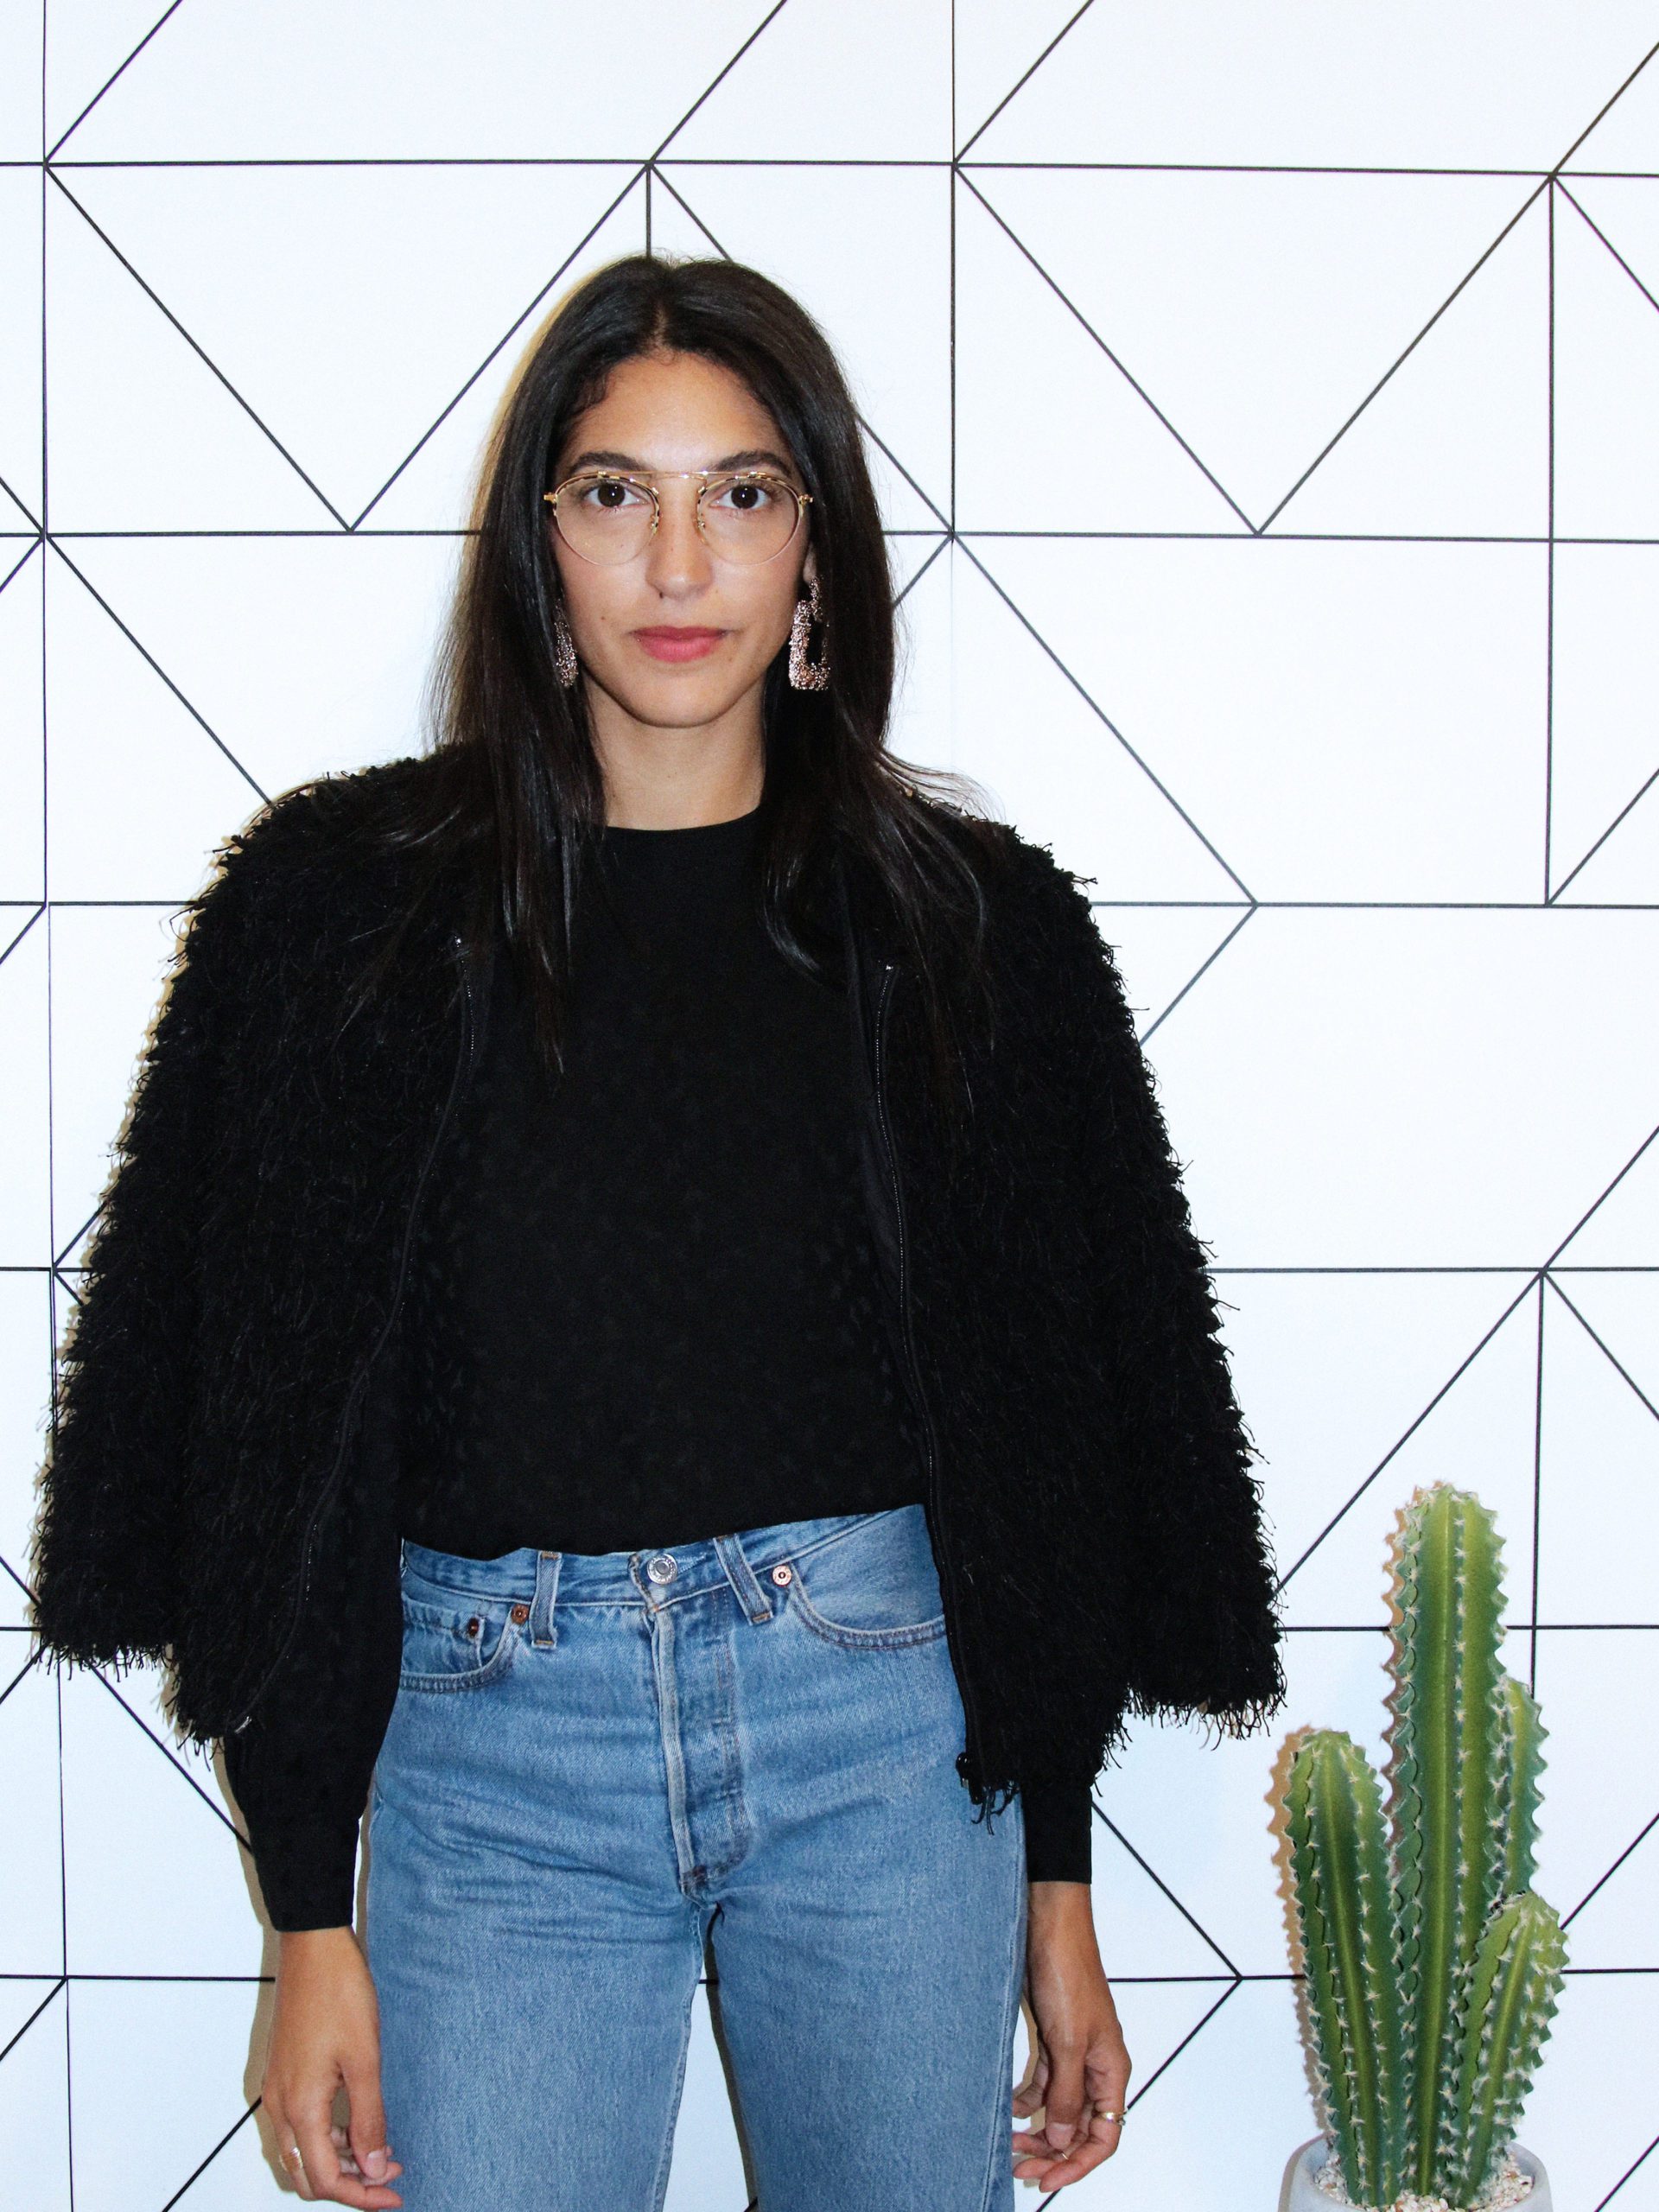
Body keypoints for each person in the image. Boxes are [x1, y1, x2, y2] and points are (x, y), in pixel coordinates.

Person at [26, 252, 1285, 2211]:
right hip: (492, 1759)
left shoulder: (973, 930)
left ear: (816, 547)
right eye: (617, 492)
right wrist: (305, 1911)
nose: (679, 563)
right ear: (539, 543)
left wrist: (1057, 1874)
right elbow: (265, 1434)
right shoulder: (341, 917)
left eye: (743, 493)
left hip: (885, 1731)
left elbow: (1058, 1427)